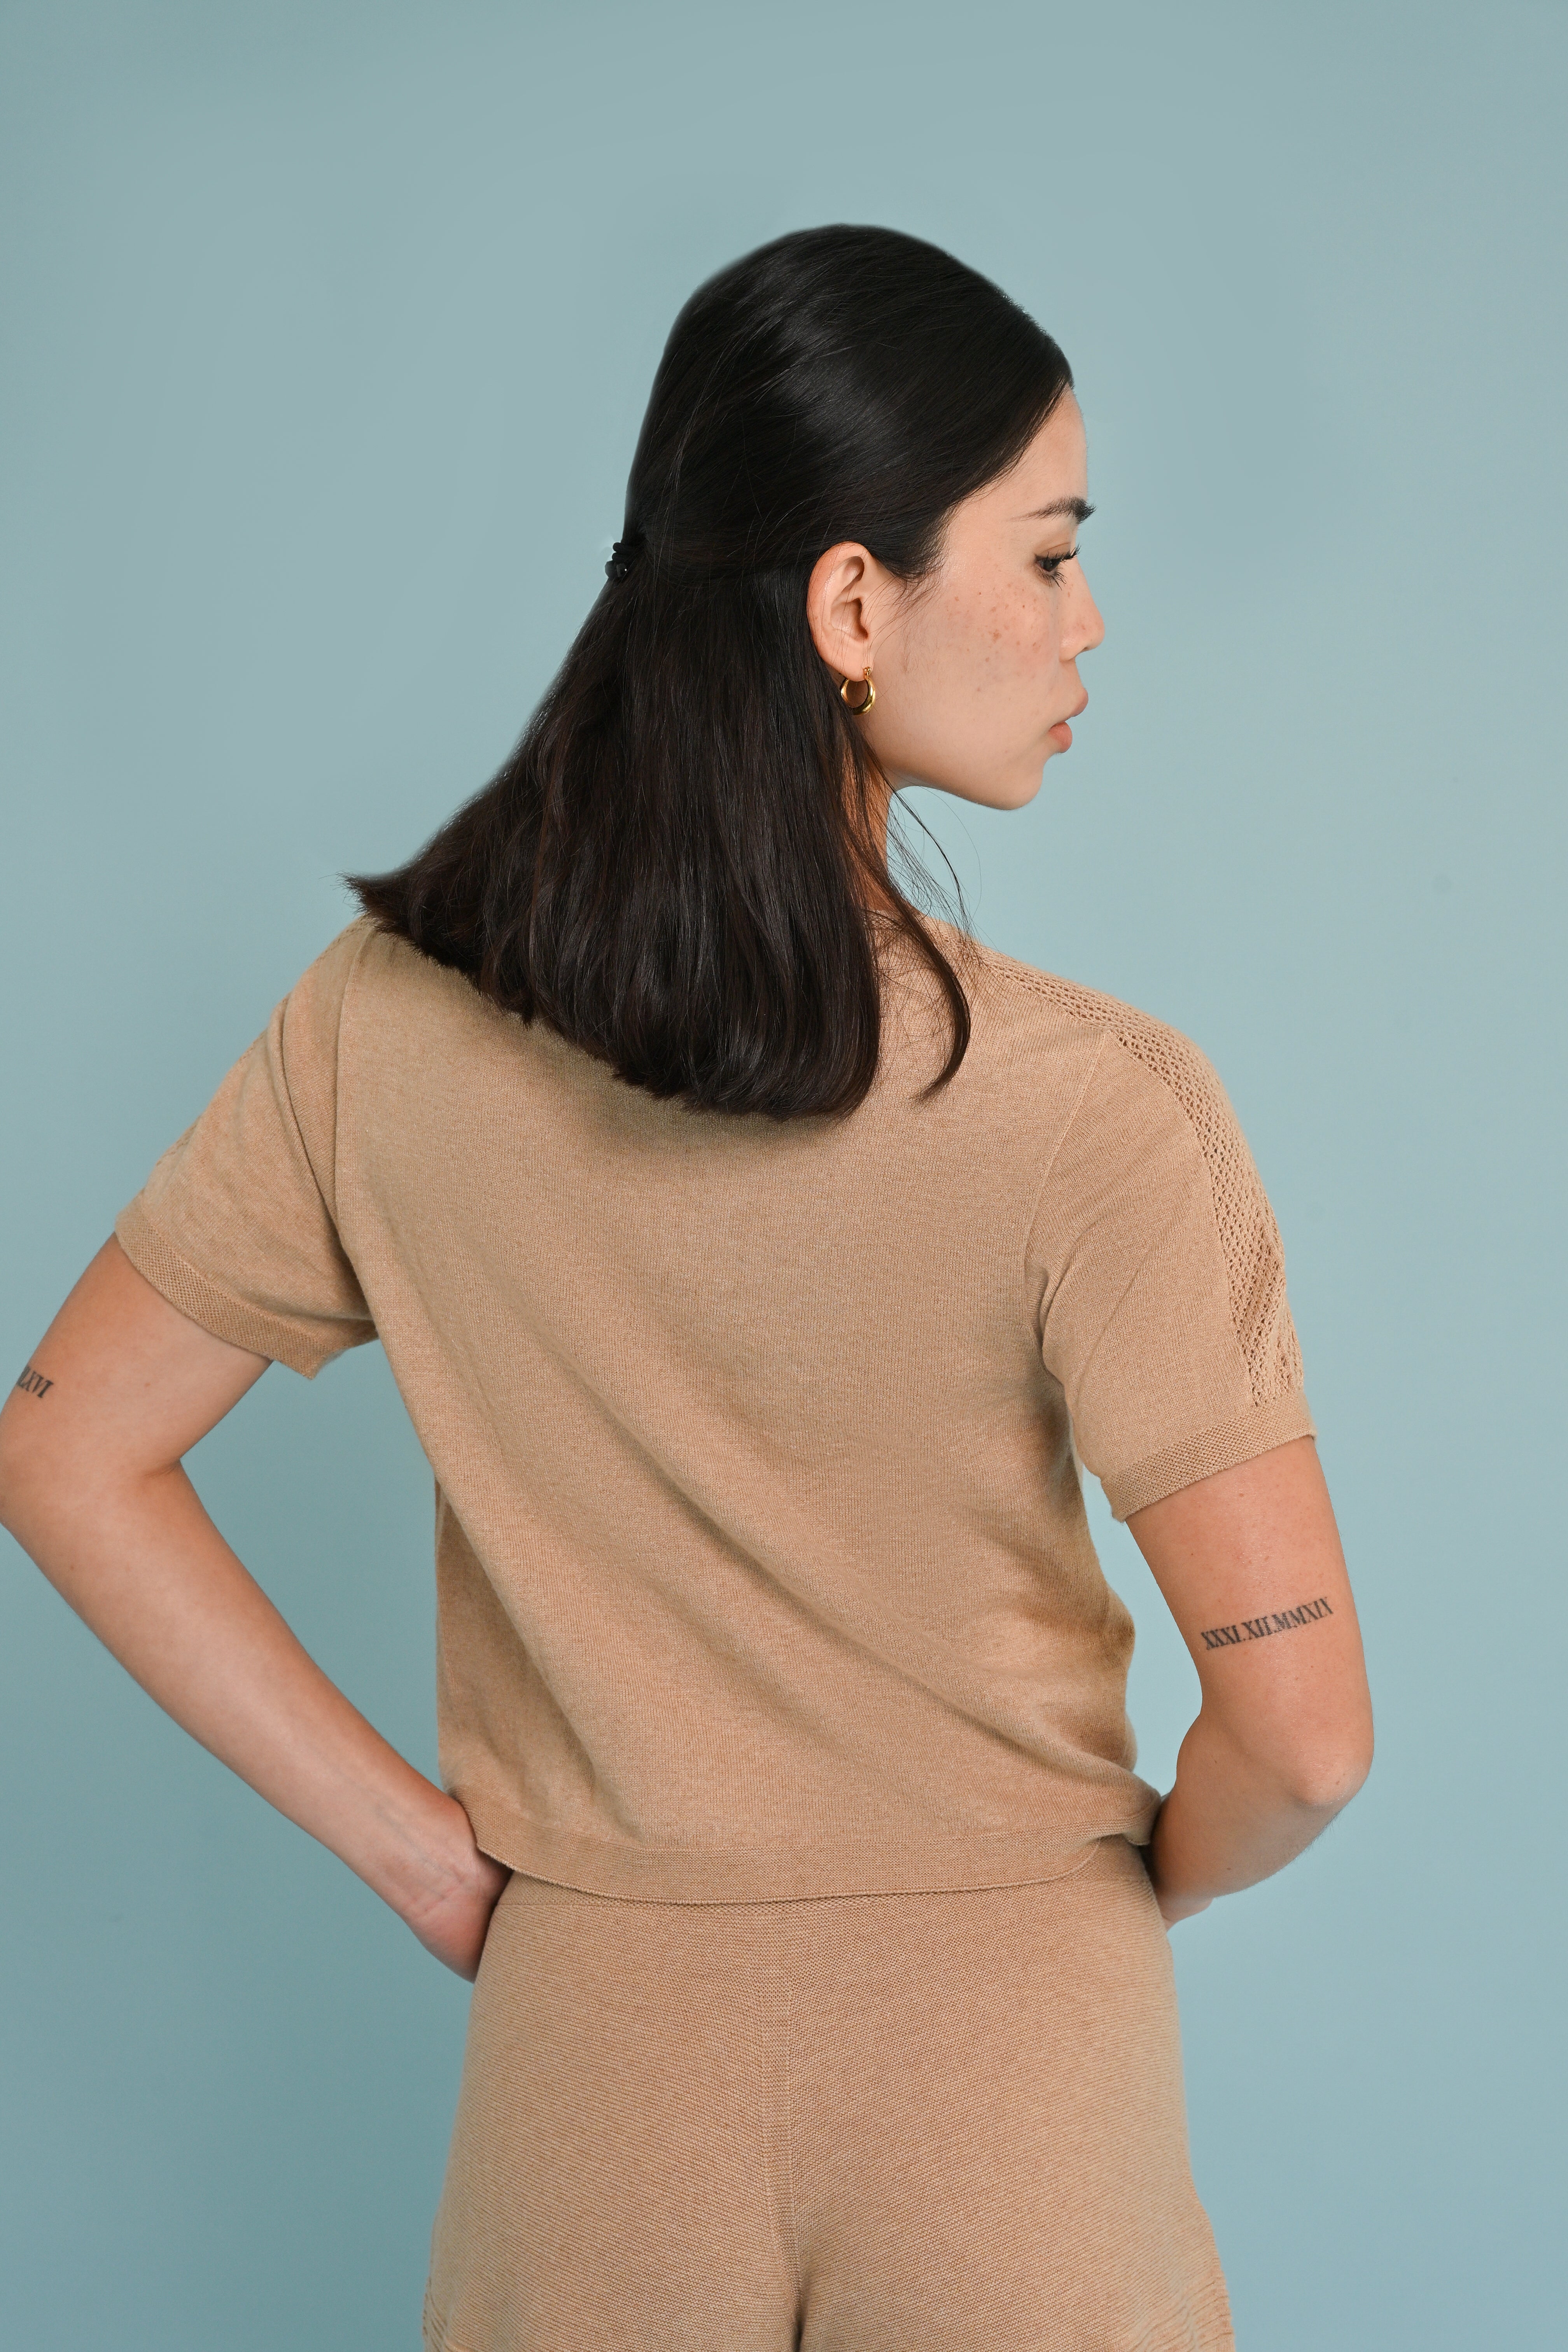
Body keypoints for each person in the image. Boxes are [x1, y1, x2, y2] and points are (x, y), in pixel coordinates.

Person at [0, 225, 1372, 2350]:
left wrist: (425, 1857)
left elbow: (63, 1452)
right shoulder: (1096, 1112)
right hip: (1018, 2063)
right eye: (1046, 553)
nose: (1086, 618)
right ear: (853, 603)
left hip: (590, 2063)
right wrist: (1108, 1900)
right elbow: (1302, 1736)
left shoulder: (383, 1028)